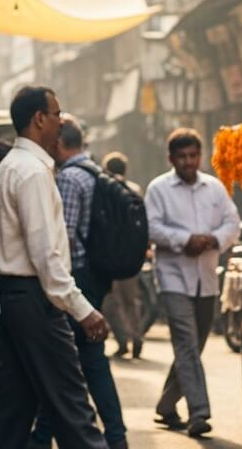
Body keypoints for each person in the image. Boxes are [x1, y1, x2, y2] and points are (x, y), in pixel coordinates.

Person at [0, 87, 109, 449]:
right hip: (35, 298)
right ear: (39, 119)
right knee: (71, 405)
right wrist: (82, 310)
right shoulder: (31, 172)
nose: (62, 120)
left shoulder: (13, 167)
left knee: (12, 407)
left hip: (13, 297)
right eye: (57, 113)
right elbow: (46, 255)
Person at [29, 115, 127, 449]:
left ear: (59, 143)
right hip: (93, 279)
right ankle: (116, 436)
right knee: (88, 362)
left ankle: (43, 439)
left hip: (76, 280)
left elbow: (64, 240)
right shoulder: (96, 171)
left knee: (64, 364)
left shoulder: (70, 178)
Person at [145, 128, 240, 438]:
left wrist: (213, 239)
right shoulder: (158, 189)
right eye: (182, 157)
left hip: (207, 279)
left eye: (193, 156)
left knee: (192, 348)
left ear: (200, 156)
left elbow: (232, 223)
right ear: (171, 158)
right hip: (173, 279)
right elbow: (152, 227)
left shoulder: (214, 188)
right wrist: (184, 240)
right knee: (186, 344)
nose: (188, 162)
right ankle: (199, 412)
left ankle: (165, 406)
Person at [99, 152, 145, 359]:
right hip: (131, 256)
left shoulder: (104, 190)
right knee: (131, 300)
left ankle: (122, 341)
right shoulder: (135, 190)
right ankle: (136, 337)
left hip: (109, 256)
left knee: (111, 302)